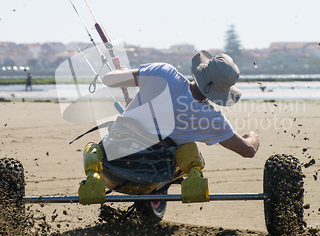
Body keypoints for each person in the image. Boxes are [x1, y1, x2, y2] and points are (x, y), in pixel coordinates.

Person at [102, 50, 259, 158]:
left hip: (114, 150)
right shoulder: (213, 120)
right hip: (153, 164)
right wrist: (252, 136)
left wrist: (122, 71)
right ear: (223, 91)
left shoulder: (164, 72)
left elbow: (109, 80)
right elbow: (248, 150)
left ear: (201, 70)